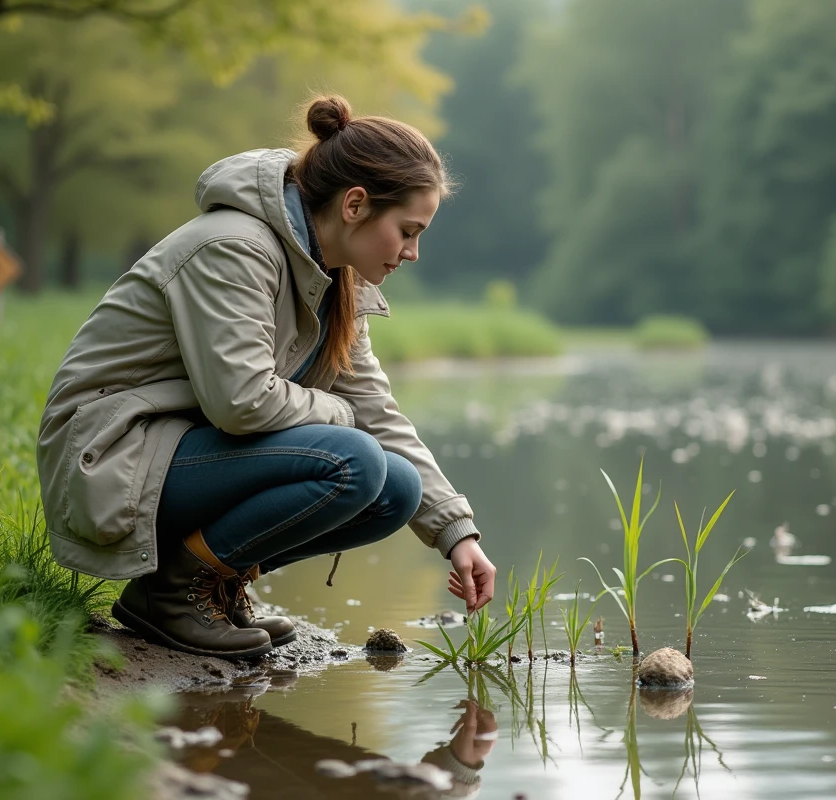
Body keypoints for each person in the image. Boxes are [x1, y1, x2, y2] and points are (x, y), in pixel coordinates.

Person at [36, 94, 496, 659]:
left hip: (179, 454)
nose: (413, 252)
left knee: (394, 488)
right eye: (407, 230)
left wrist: (457, 533)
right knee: (355, 461)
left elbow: (377, 407)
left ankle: (214, 583)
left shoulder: (334, 281)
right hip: (110, 458)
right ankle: (170, 594)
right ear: (355, 204)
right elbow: (242, 402)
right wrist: (341, 416)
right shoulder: (235, 248)